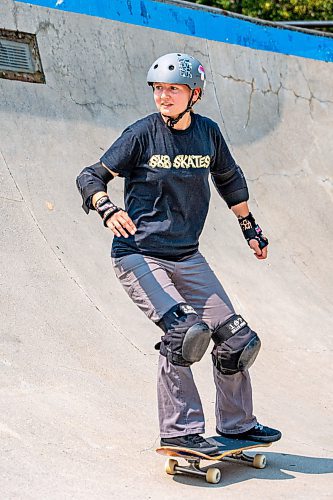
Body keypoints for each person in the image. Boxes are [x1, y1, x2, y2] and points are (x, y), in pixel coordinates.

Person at [76, 53, 281, 455]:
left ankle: (237, 426)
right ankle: (179, 432)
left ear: (195, 94)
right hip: (139, 255)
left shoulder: (208, 133)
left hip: (187, 256)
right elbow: (90, 175)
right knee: (185, 333)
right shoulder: (142, 134)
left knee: (236, 339)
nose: (163, 96)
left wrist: (250, 228)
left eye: (173, 89)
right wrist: (107, 207)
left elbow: (229, 179)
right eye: (158, 89)